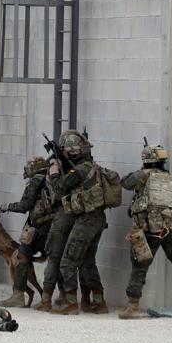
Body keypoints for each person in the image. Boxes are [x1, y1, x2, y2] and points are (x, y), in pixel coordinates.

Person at [118, 142, 172, 319]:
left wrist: (141, 171)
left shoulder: (142, 175)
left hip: (147, 231)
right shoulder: (171, 179)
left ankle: (133, 307)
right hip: (170, 230)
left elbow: (124, 183)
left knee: (139, 269)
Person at [46, 130, 108, 315]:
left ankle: (71, 302)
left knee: (68, 261)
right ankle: (99, 302)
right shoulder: (90, 166)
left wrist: (54, 171)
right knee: (87, 262)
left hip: (86, 219)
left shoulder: (80, 170)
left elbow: (58, 189)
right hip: (95, 218)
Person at [0, 156, 54, 307]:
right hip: (54, 227)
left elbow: (25, 205)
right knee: (55, 260)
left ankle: (18, 296)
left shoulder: (36, 181)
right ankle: (59, 297)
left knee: (22, 255)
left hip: (40, 227)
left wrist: (7, 206)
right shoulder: (51, 179)